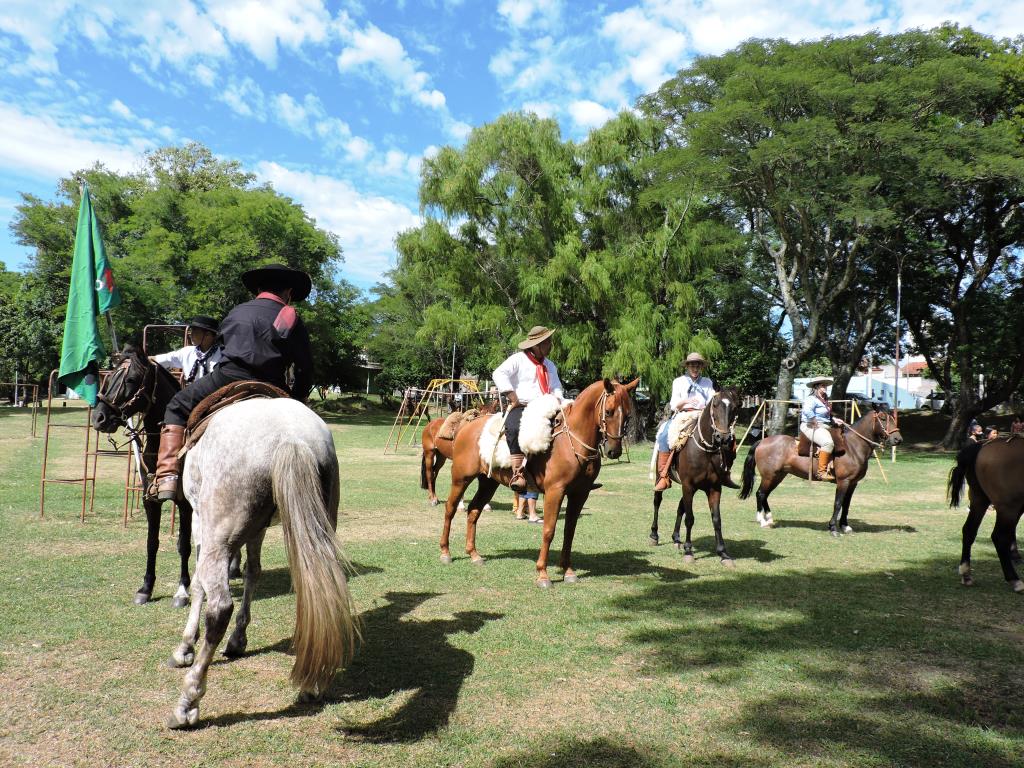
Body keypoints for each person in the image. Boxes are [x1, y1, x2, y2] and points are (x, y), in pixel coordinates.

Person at [149, 264, 315, 502]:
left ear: (258, 289)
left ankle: (166, 476)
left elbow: (225, 346)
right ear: (288, 292)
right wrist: (298, 399)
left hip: (229, 376)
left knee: (176, 404)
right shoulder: (290, 317)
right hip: (273, 382)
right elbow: (305, 367)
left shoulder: (237, 311)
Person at [492, 325, 565, 493]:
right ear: (536, 345)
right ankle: (518, 473)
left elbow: (556, 386)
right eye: (547, 342)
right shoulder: (518, 359)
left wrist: (559, 400)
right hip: (522, 406)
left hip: (547, 406)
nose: (550, 345)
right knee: (515, 427)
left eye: (550, 342)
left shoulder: (550, 365)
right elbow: (499, 373)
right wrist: (512, 396)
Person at [653, 352, 718, 491]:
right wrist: (687, 401)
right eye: (692, 366)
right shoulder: (679, 381)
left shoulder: (707, 382)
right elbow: (673, 404)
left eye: (698, 366)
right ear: (687, 367)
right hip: (683, 415)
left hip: (702, 415)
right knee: (665, 434)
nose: (695, 369)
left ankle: (723, 469)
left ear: (701, 367)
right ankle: (664, 475)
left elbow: (712, 400)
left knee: (722, 433)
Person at [150, 315, 224, 384]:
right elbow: (157, 359)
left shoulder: (223, 354)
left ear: (207, 334)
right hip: (193, 395)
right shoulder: (186, 352)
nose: (190, 334)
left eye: (194, 331)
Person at [800, 375, 845, 481]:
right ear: (816, 387)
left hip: (824, 426)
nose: (825, 387)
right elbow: (807, 411)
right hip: (810, 426)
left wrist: (834, 419)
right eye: (822, 385)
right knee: (828, 443)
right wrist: (814, 419)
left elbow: (825, 416)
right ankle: (821, 472)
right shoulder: (811, 399)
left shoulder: (824, 400)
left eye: (825, 385)